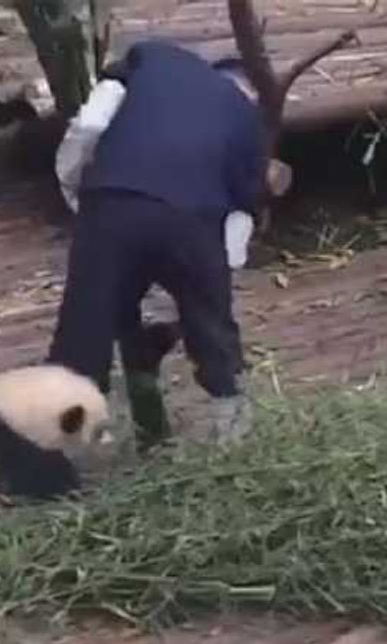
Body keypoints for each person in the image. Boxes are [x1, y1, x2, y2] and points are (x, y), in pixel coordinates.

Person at [46, 39, 289, 446]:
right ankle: (234, 434)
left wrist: (77, 193)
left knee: (84, 325)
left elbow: (88, 126)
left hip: (115, 202)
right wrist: (214, 288)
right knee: (214, 332)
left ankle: (58, 445)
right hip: (193, 223)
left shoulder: (152, 59)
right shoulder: (248, 123)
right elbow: (238, 220)